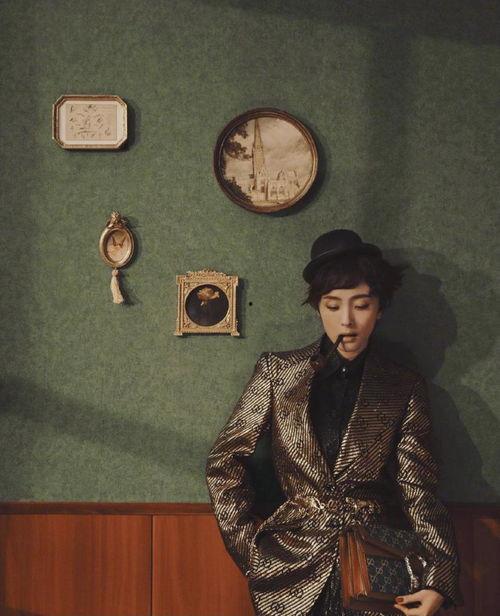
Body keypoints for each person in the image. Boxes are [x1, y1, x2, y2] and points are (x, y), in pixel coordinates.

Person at [206, 229, 462, 616]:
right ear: (317, 307)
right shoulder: (278, 373)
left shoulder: (403, 386)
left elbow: (418, 489)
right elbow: (223, 462)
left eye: (362, 305)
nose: (347, 321)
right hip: (287, 569)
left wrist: (438, 578)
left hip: (376, 570)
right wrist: (252, 550)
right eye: (332, 305)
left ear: (379, 308)